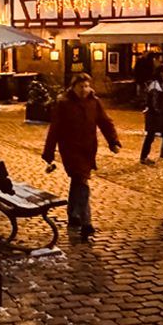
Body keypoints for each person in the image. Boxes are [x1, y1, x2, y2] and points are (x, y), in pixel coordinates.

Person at [42, 72, 121, 241]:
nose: (84, 89)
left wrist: (113, 141)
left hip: (88, 149)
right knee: (82, 182)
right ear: (73, 87)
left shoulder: (94, 102)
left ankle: (73, 214)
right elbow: (54, 129)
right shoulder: (64, 104)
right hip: (70, 150)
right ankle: (87, 222)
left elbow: (105, 122)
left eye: (86, 86)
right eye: (81, 86)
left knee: (78, 181)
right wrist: (49, 153)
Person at [139, 63, 163, 165]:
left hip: (160, 113)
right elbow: (154, 102)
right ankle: (144, 157)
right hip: (154, 114)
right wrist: (159, 112)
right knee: (151, 136)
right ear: (161, 73)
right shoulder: (155, 85)